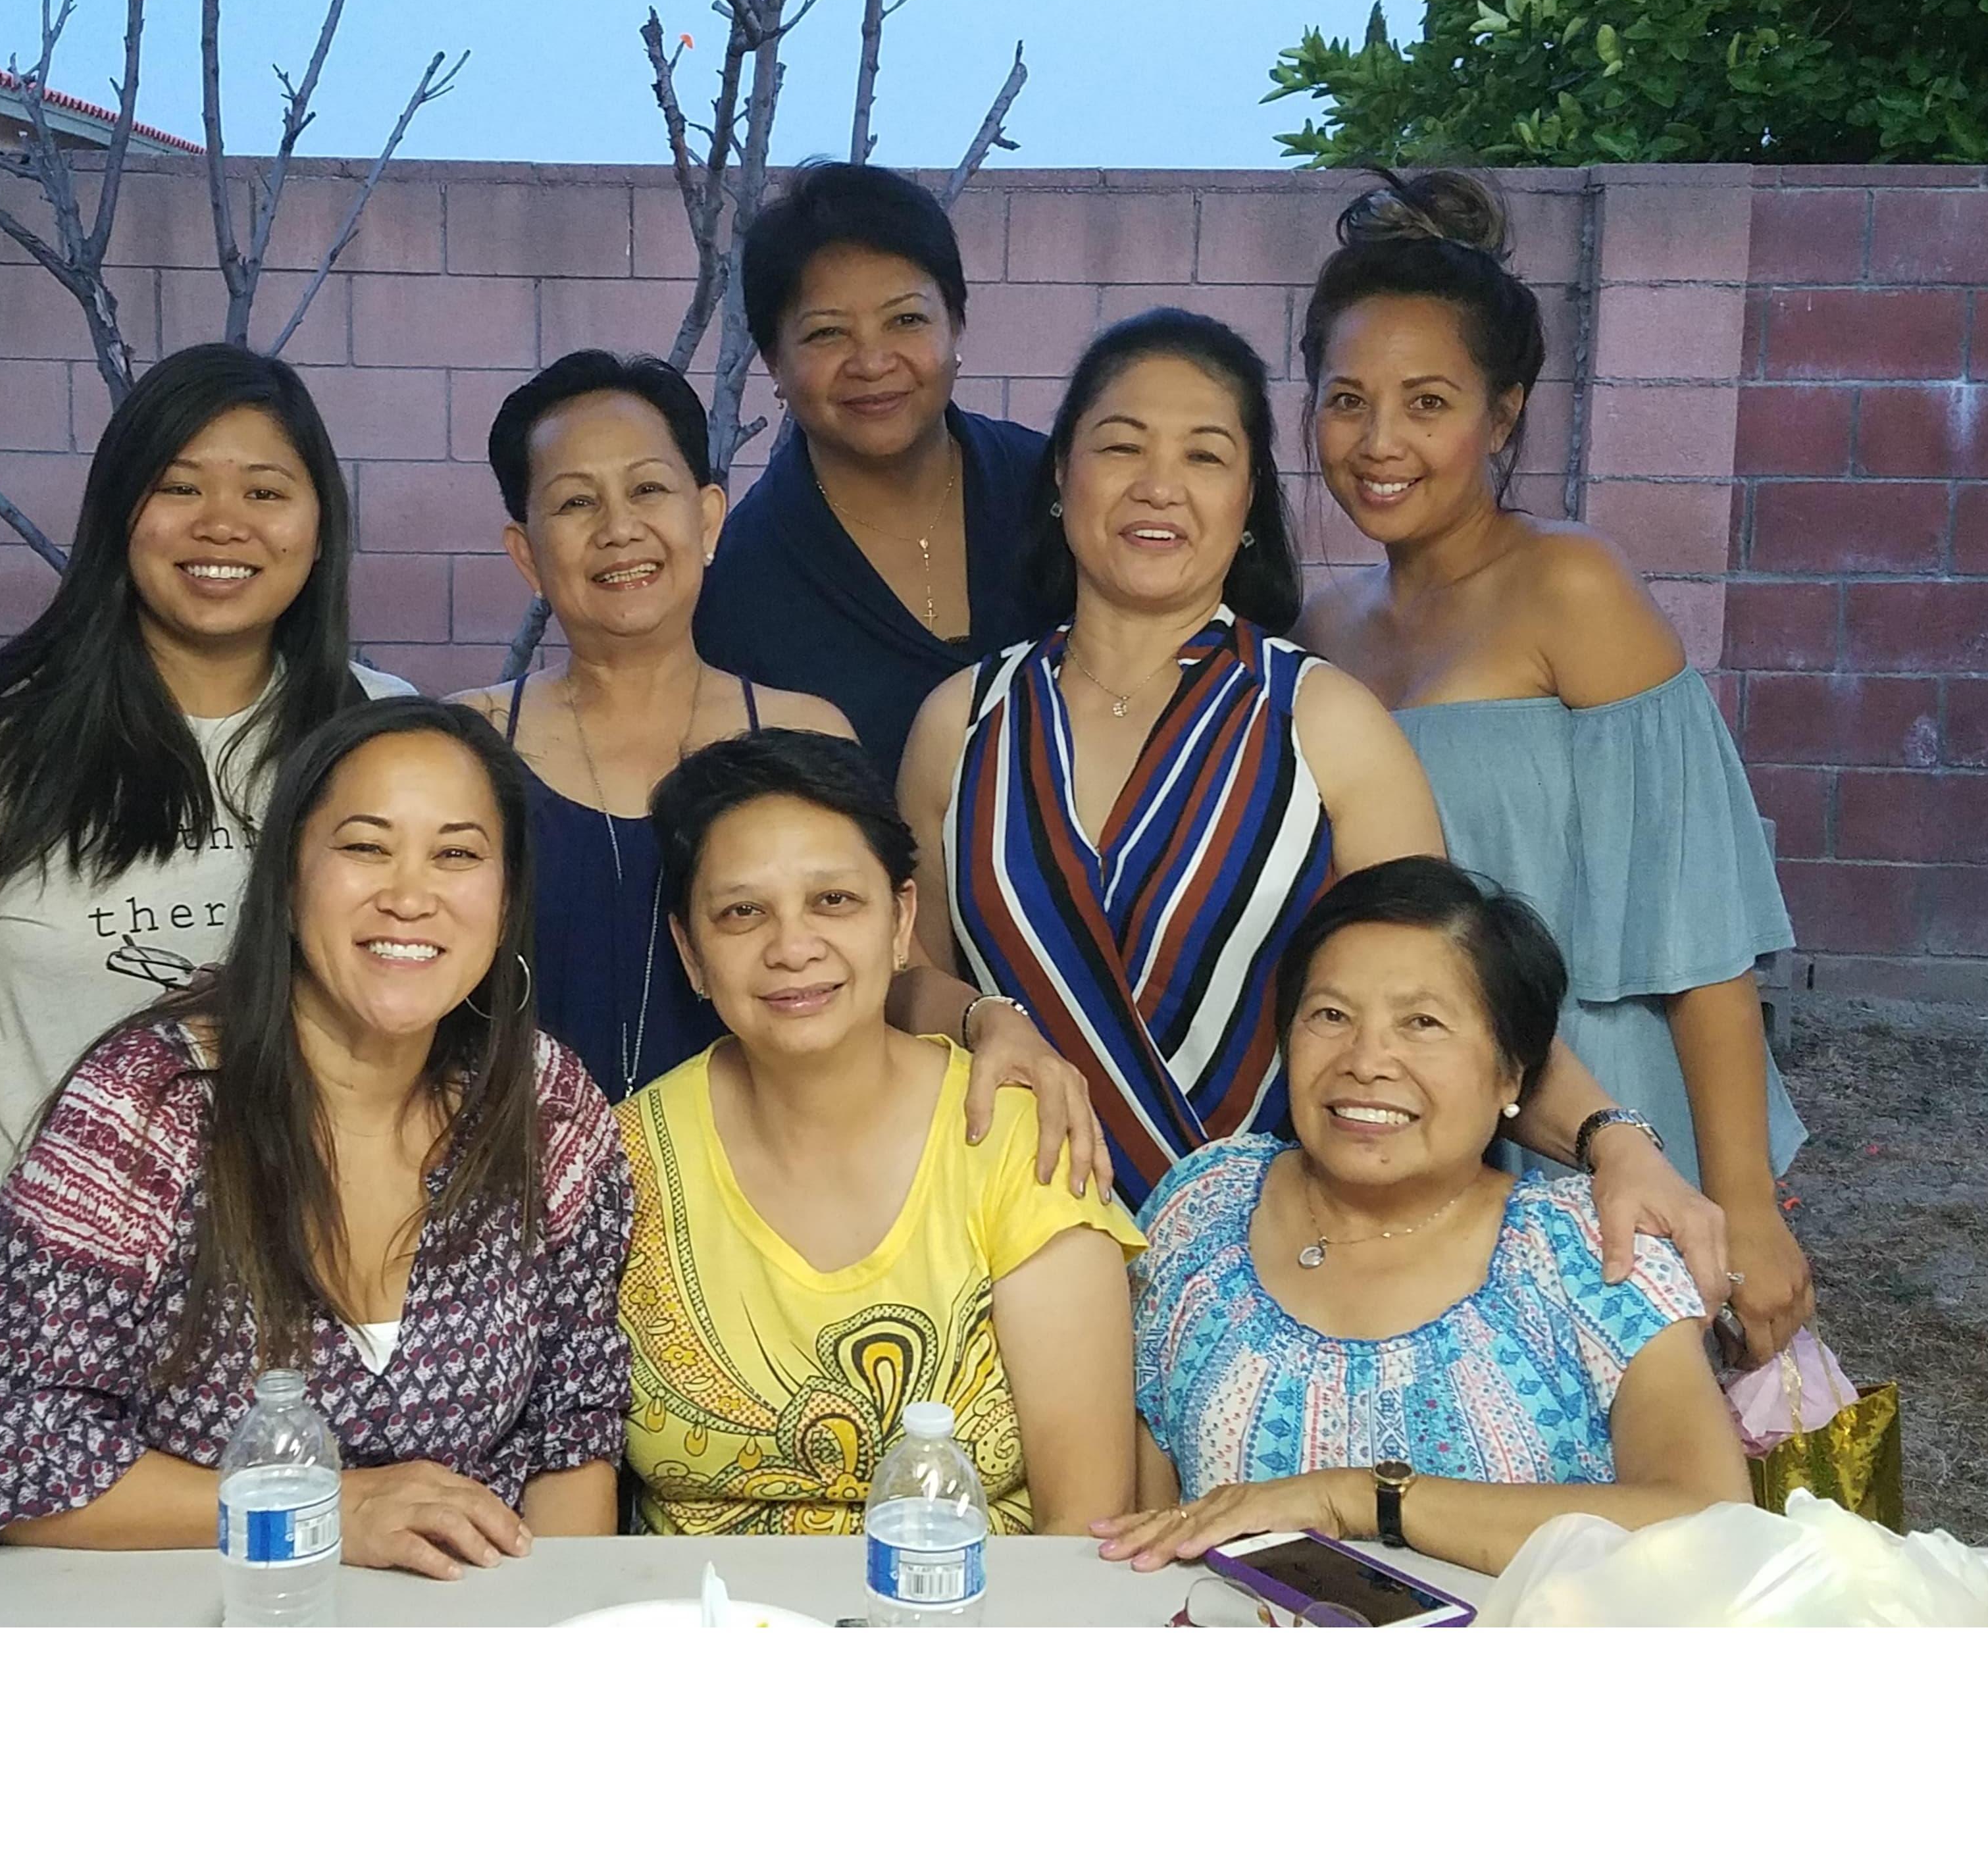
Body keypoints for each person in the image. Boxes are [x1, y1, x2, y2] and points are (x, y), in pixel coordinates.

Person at [899, 308, 1729, 1292]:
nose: (1158, 484)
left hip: (1263, 1276)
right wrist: (985, 1018)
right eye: (1120, 446)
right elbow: (903, 979)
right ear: (1059, 478)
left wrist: (1612, 1139)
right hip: (1015, 1255)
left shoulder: (1322, 719)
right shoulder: (963, 720)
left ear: (1250, 498)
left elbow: (1452, 999)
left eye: (1205, 456)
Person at [0, 344, 411, 1477]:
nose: (222, 523)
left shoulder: (380, 736)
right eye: (179, 485)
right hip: (54, 1314)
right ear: (119, 512)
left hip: (326, 1316)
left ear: (318, 526)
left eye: (265, 490)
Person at [0, 696, 632, 1577]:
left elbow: (574, 1432)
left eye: (457, 855)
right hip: (197, 1617)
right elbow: (9, 1449)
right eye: (365, 847)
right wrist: (332, 1507)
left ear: (508, 896)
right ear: (290, 882)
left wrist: (556, 1627)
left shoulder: (545, 1105)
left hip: (465, 1621)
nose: (409, 897)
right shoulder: (148, 1108)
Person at [1296, 169, 1813, 1364]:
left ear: (1504, 413)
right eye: (1346, 401)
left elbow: (1702, 934)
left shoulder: (1572, 587)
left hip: (1607, 1131)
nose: (1379, 442)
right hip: (1412, 1119)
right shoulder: (1321, 632)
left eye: (1428, 402)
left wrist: (1744, 1202)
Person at [459, 349, 1114, 1198]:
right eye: (576, 502)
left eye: (648, 490)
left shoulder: (803, 733)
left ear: (708, 518)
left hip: (768, 1210)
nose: (619, 528)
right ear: (526, 553)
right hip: (518, 1209)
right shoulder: (466, 748)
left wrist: (991, 1020)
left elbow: (893, 970)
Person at [1100, 858, 1750, 1577]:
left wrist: (1363, 1499)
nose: (1367, 1060)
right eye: (1330, 1016)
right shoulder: (1206, 1209)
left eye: (1422, 1023)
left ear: (1511, 1074)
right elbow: (1145, 1528)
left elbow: (1710, 1522)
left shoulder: (1589, 1253)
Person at [617, 730, 1140, 1537]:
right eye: (743, 912)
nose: (793, 947)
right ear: (690, 952)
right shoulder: (623, 1158)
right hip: (696, 1610)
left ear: (901, 923)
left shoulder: (1017, 1138)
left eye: (834, 901)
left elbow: (1087, 1527)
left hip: (981, 1608)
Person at [693, 161, 1054, 782]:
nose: (872, 362)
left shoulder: (1057, 494)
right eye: (827, 334)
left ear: (956, 324)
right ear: (775, 362)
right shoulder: (736, 587)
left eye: (906, 320)